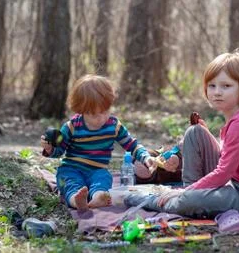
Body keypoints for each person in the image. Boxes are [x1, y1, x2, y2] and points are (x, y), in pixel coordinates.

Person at [125, 52, 239, 218]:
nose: (217, 92)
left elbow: (224, 172)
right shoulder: (236, 119)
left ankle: (161, 199)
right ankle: (190, 190)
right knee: (195, 131)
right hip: (233, 185)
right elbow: (227, 156)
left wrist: (185, 193)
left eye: (226, 86)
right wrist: (204, 135)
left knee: (188, 201)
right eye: (212, 86)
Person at [40, 74, 155, 210]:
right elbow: (59, 151)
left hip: (97, 170)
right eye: (94, 114)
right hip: (72, 169)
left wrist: (146, 157)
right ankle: (76, 201)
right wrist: (50, 149)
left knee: (104, 178)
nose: (101, 118)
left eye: (105, 111)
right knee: (68, 181)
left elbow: (132, 145)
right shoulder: (71, 127)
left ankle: (98, 197)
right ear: (81, 110)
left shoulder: (114, 126)